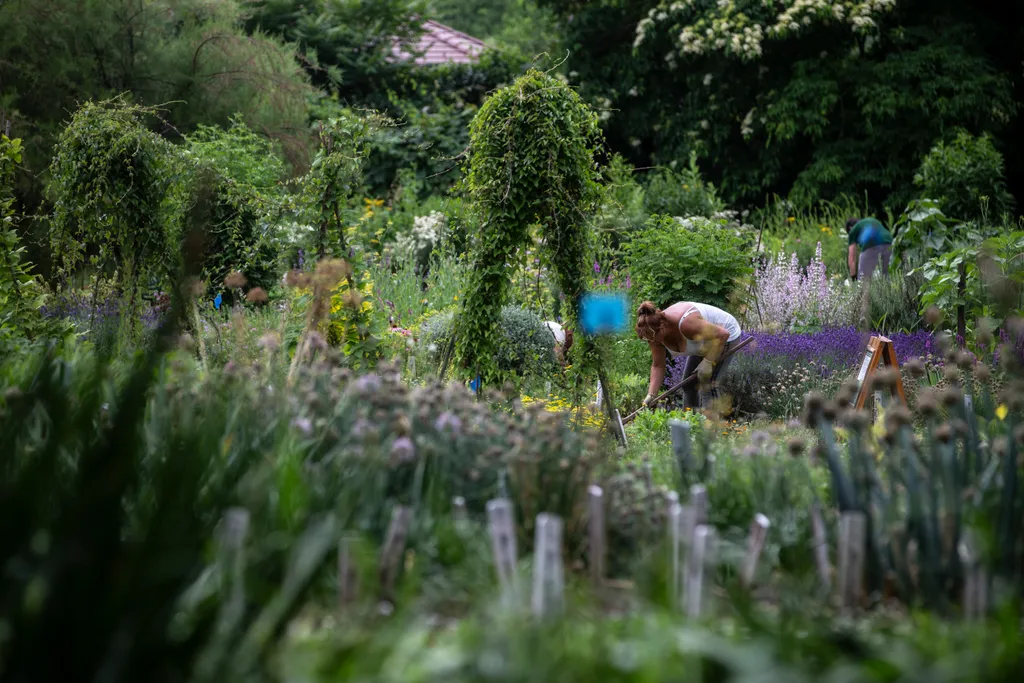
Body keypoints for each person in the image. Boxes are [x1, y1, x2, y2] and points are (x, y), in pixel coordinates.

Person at [635, 300, 742, 410]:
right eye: (646, 339)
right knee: (689, 385)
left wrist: (708, 361)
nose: (650, 341)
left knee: (707, 383)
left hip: (724, 336)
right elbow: (658, 365)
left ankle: (710, 426)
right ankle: (691, 423)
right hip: (704, 341)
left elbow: (722, 334)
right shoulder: (652, 333)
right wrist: (651, 394)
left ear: (662, 327)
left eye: (651, 338)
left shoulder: (686, 324)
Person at [845, 217, 892, 281]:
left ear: (850, 228)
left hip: (871, 245)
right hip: (889, 243)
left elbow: (852, 258)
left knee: (863, 281)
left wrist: (853, 277)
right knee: (887, 276)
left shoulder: (853, 230)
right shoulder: (871, 220)